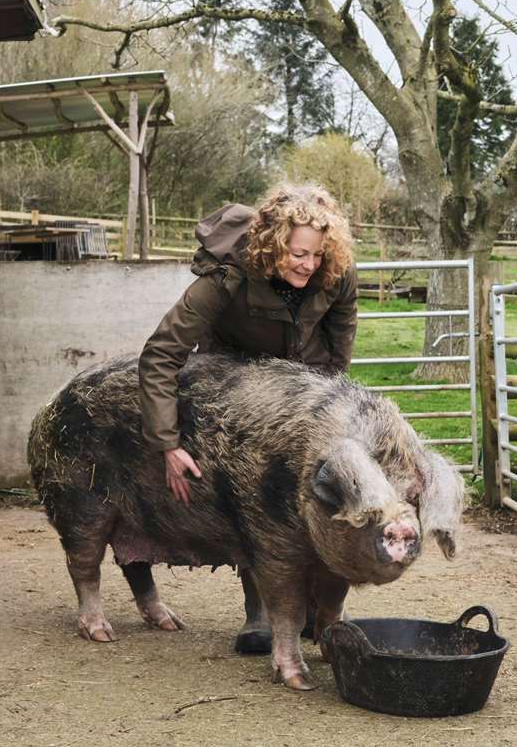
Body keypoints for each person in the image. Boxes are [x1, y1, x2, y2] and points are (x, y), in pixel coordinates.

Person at [137, 182, 358, 652]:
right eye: (299, 254)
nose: (309, 265)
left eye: (317, 256)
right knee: (258, 487)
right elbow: (160, 354)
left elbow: (339, 351)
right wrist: (167, 442)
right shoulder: (226, 279)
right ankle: (260, 608)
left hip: (305, 382)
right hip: (235, 379)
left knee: (320, 487)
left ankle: (321, 607)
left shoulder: (336, 272)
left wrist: (320, 411)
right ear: (274, 244)